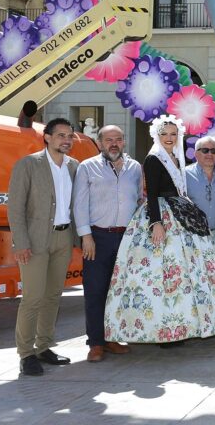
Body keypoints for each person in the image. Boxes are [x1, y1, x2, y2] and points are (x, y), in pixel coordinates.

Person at [105, 115, 215, 345]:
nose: (169, 138)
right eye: (164, 134)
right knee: (162, 275)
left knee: (182, 274)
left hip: (178, 213)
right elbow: (152, 192)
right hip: (164, 216)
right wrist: (156, 223)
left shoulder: (173, 157)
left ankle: (180, 325)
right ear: (157, 135)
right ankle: (163, 329)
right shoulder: (155, 158)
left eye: (173, 134)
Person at [7, 117, 79, 376]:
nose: (66, 140)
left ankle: (44, 346)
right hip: (35, 241)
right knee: (33, 298)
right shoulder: (28, 164)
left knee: (52, 296)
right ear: (47, 137)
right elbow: (15, 208)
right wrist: (21, 242)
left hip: (63, 238)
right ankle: (26, 354)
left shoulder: (73, 166)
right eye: (61, 135)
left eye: (69, 135)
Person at [72, 125, 142, 363]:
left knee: (119, 291)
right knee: (95, 290)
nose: (114, 144)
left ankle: (113, 338)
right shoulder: (87, 167)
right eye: (108, 140)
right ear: (100, 143)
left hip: (127, 238)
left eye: (118, 139)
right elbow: (79, 204)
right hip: (97, 238)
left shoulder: (135, 168)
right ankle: (96, 343)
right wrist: (86, 236)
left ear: (124, 142)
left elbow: (140, 200)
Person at [185, 135, 215, 244]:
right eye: (205, 150)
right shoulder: (184, 175)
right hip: (192, 234)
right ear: (196, 154)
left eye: (213, 151)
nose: (209, 154)